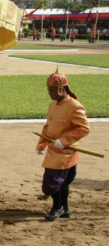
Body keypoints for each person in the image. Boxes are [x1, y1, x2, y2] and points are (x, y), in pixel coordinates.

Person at [36, 67, 90, 221]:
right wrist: (42, 144)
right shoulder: (53, 105)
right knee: (62, 183)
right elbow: (48, 126)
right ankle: (64, 209)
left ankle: (57, 207)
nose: (49, 92)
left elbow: (84, 128)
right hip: (53, 151)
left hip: (66, 153)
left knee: (50, 185)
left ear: (61, 89)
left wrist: (64, 140)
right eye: (48, 89)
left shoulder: (74, 106)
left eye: (52, 89)